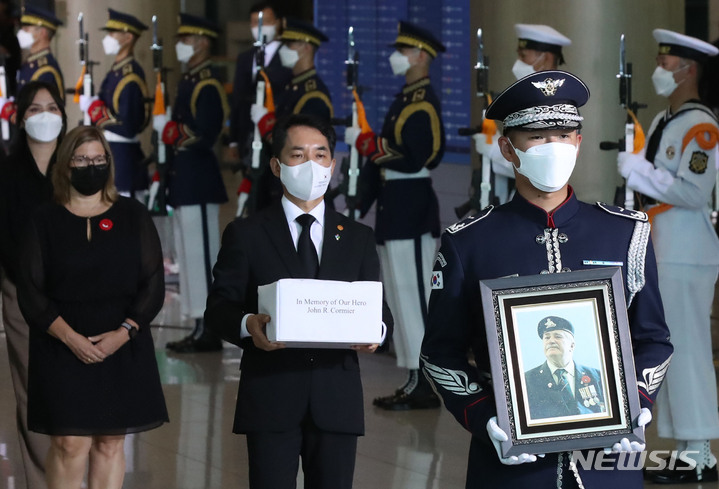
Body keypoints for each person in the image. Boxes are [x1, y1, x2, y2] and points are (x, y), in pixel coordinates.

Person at [421, 70, 673, 488]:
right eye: (536, 137)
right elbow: (439, 353)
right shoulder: (469, 241)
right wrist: (485, 419)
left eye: (563, 134)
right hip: (512, 464)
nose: (552, 146)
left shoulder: (625, 232)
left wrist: (639, 405)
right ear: (507, 148)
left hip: (607, 461)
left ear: (578, 141)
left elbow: (654, 339)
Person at [205, 113, 392, 489]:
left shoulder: (357, 237)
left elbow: (379, 311)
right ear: (276, 165)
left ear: (333, 164)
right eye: (297, 155)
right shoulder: (247, 233)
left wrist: (378, 331)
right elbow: (219, 308)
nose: (311, 165)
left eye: (320, 155)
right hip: (271, 394)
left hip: (335, 398)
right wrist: (248, 325)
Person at [15, 125, 168, 489]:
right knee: (69, 443)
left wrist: (125, 332)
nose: (91, 166)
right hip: (61, 343)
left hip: (122, 344)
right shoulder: (44, 219)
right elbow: (31, 290)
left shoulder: (133, 215)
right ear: (66, 165)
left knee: (111, 442)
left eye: (99, 159)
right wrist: (71, 339)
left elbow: (153, 283)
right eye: (82, 159)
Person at [616, 29, 719, 484]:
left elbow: (694, 193)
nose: (660, 70)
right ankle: (684, 445)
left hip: (686, 249)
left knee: (690, 350)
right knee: (669, 350)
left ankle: (701, 451)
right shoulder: (663, 120)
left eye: (666, 62)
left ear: (687, 69)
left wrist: (644, 173)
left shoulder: (702, 127)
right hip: (661, 247)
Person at [345, 20, 446, 410]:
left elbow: (423, 155)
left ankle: (424, 379)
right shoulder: (405, 98)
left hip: (412, 207)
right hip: (395, 207)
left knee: (415, 296)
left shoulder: (423, 101)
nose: (396, 57)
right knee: (401, 298)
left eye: (402, 51)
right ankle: (411, 376)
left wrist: (372, 144)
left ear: (420, 56)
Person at [0, 80, 66, 489]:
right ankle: (44, 481)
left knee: (75, 392)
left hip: (76, 293)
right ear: (21, 117)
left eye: (53, 107)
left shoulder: (75, 167)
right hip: (22, 292)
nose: (44, 115)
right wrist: (29, 279)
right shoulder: (6, 172)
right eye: (35, 108)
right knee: (32, 392)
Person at [162, 13, 229, 353]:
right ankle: (197, 322)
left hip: (199, 179)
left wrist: (177, 134)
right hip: (184, 179)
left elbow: (206, 132)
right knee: (188, 258)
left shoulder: (207, 84)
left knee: (202, 258)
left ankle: (210, 327)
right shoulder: (189, 80)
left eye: (186, 40)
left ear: (202, 42)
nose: (181, 46)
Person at [473, 24, 571, 206]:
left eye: (523, 56)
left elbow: (549, 168)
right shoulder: (527, 98)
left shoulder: (558, 103)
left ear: (546, 58)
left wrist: (498, 152)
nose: (518, 62)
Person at [249, 18, 333, 213]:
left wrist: (265, 123)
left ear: (305, 48)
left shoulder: (313, 95)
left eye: (290, 44)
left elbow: (300, 147)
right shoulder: (292, 87)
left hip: (300, 193)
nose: (283, 49)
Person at [83, 9, 150, 200]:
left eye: (113, 34)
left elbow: (127, 126)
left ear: (128, 37)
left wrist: (95, 110)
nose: (108, 38)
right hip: (112, 155)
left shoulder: (130, 76)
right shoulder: (116, 72)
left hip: (124, 160)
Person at [228, 1, 292, 163]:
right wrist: (233, 140)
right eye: (255, 23)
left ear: (277, 23)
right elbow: (237, 99)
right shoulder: (245, 58)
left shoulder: (289, 56)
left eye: (266, 22)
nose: (260, 27)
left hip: (275, 135)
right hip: (247, 134)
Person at [523, 316, 605, 420]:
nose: (551, 341)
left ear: (572, 345)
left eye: (558, 336)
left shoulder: (598, 377)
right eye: (547, 337)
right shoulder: (527, 380)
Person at [14, 5, 64, 98]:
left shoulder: (45, 70)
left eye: (26, 29)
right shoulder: (31, 63)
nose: (21, 32)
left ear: (42, 33)